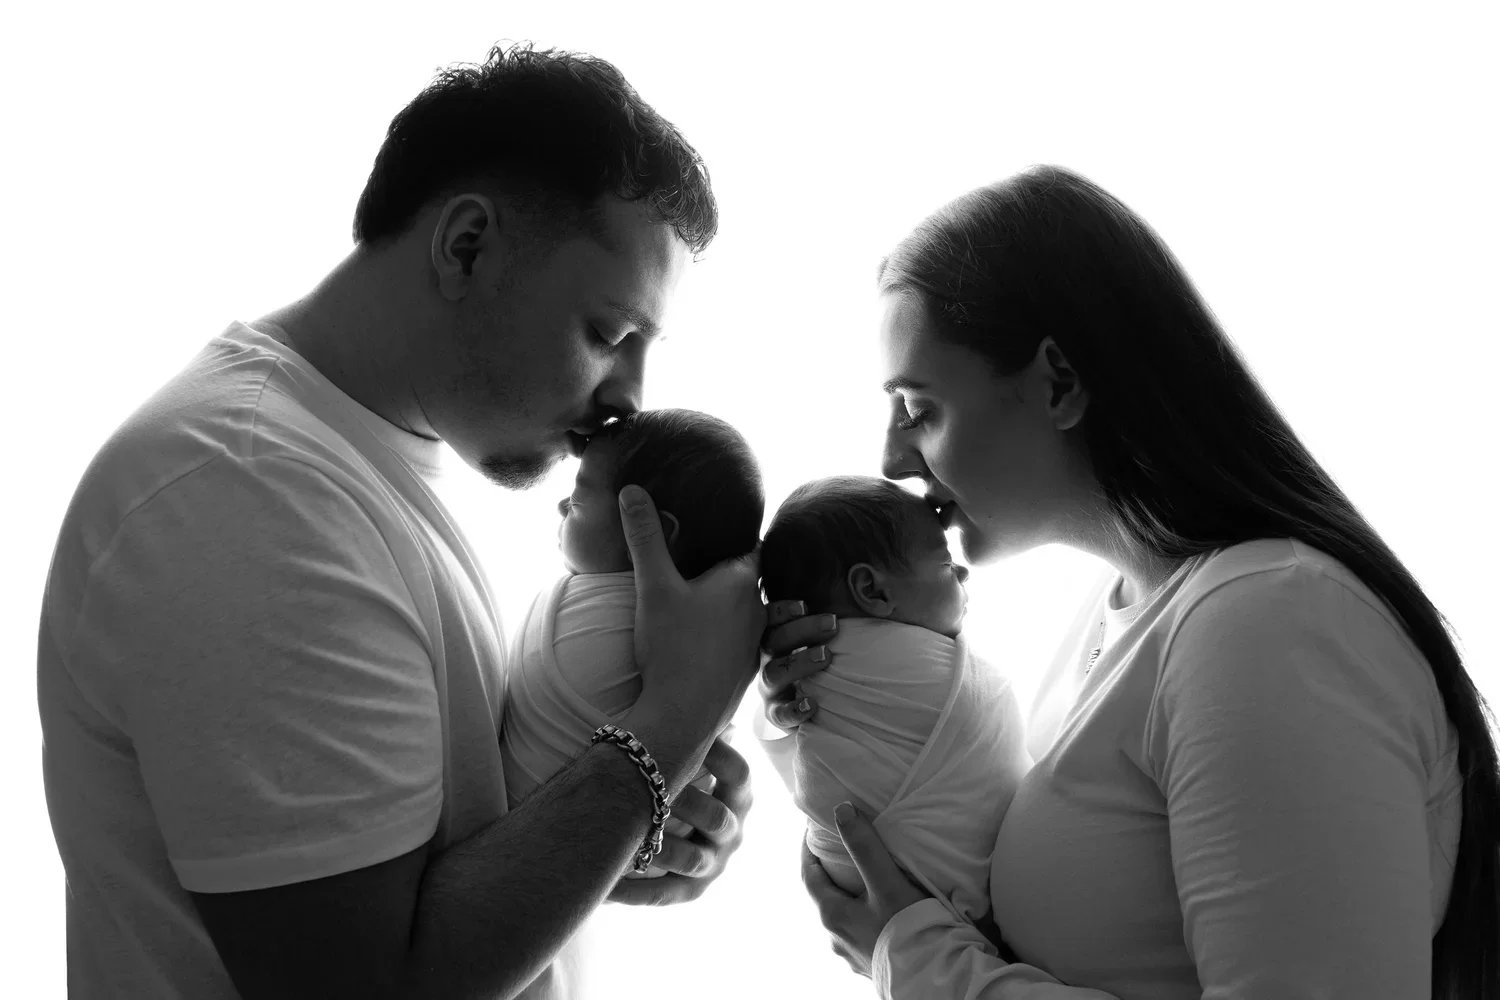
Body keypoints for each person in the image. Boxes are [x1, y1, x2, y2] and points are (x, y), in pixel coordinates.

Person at [37, 43, 763, 1000]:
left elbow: (416, 882)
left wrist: (614, 833)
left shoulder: (358, 454)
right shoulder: (246, 495)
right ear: (466, 245)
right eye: (609, 335)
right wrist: (669, 725)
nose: (630, 398)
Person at [760, 165, 1500, 999]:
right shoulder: (1119, 617)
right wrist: (847, 710)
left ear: (1058, 383)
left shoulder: (1267, 624)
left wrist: (916, 956)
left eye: (919, 409)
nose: (893, 461)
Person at [502, 408, 764, 876]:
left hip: (535, 856)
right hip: (644, 853)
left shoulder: (575, 605)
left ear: (647, 532)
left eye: (578, 501)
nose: (562, 506)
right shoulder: (724, 641)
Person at [756, 475, 1029, 922]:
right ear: (873, 591)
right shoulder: (898, 667)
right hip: (928, 890)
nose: (961, 572)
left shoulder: (819, 663)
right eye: (944, 563)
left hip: (857, 881)